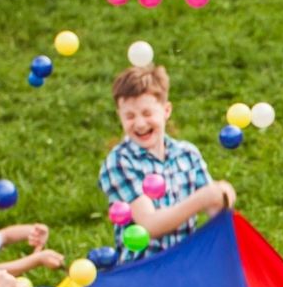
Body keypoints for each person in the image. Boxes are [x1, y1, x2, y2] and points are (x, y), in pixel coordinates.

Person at [100, 64, 239, 262]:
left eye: (147, 113)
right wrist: (202, 199)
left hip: (185, 265)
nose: (140, 124)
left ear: (166, 110)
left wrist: (224, 197)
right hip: (142, 272)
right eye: (129, 116)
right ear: (119, 116)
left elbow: (215, 210)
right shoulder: (119, 162)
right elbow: (149, 226)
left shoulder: (187, 154)